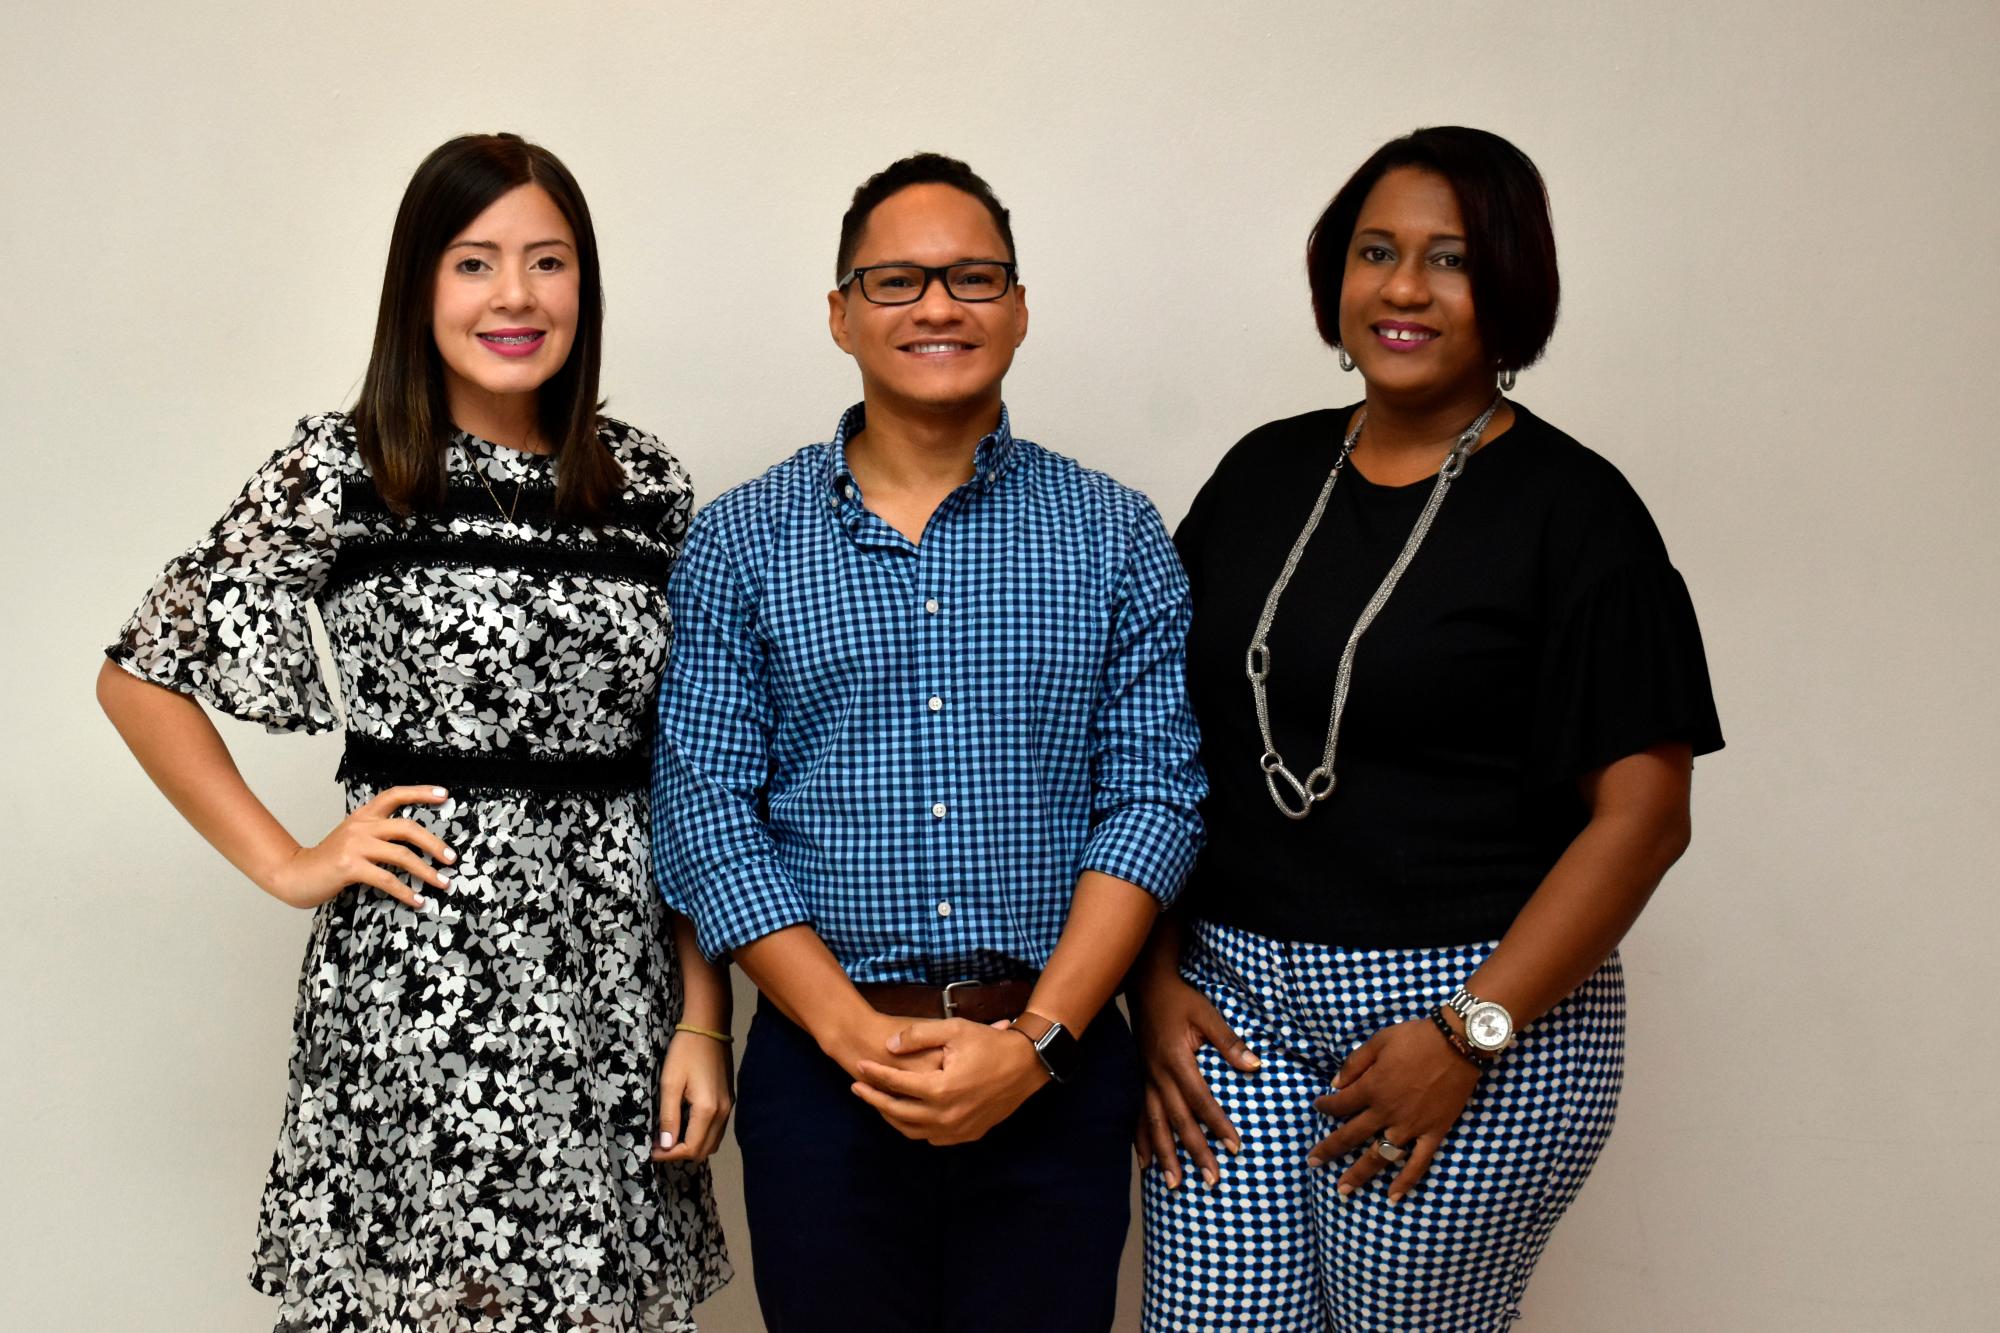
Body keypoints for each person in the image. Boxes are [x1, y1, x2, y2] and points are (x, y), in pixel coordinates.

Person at [96, 133, 731, 1331]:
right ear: (417, 285)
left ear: (582, 288)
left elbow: (686, 769)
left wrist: (704, 1015)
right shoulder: (345, 467)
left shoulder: (643, 483)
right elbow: (141, 675)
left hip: (613, 979)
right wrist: (291, 863)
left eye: (548, 263)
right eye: (473, 262)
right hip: (421, 976)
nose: (515, 297)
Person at [1132, 126, 1724, 1331]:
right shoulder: (1260, 473)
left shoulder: (1579, 513)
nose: (1402, 289)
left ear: (1509, 285)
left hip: (1466, 1002)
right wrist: (1150, 977)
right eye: (1375, 252)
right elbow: (1155, 741)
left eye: (1448, 259)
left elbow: (1645, 817)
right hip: (1230, 996)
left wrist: (1470, 1033)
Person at [651, 152, 1205, 1333]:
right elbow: (703, 808)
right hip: (822, 1064)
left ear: (1017, 306)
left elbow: (1153, 799)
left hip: (1053, 1066)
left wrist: (1039, 1041)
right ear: (840, 312)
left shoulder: (1113, 533)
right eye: (896, 280)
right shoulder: (742, 541)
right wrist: (850, 1033)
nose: (938, 306)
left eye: (972, 277)